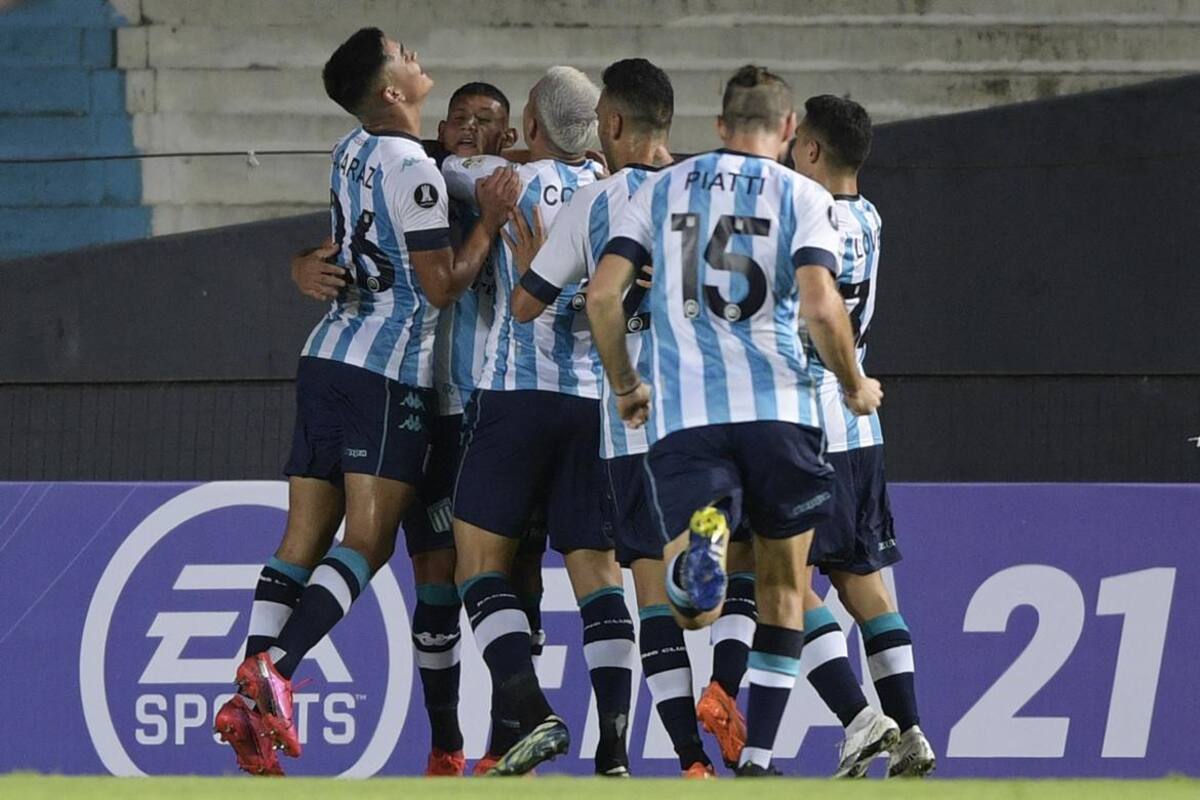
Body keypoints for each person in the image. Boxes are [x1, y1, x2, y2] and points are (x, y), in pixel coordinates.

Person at [213, 28, 516, 775]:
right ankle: (276, 667)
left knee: (300, 544)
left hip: (325, 358)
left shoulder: (351, 150)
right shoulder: (414, 166)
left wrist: (302, 261)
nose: (417, 60)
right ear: (391, 90)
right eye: (404, 54)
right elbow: (442, 287)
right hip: (384, 374)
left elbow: (351, 242)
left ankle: (246, 712)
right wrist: (490, 223)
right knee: (372, 541)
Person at [587, 65, 882, 776]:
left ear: (719, 127)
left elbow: (603, 297)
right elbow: (820, 306)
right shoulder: (804, 196)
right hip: (781, 413)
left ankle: (709, 532)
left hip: (688, 416)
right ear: (787, 132)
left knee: (693, 611)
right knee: (785, 588)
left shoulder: (660, 189)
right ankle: (756, 758)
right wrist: (853, 384)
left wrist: (627, 384)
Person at [505, 57, 717, 778]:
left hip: (629, 422)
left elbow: (527, 305)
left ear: (615, 124)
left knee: (651, 598)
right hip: (714, 413)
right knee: (713, 593)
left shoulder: (595, 202)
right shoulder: (711, 192)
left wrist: (542, 271)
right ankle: (712, 578)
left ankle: (689, 759)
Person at [442, 66, 636, 777]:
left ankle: (534, 710)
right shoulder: (616, 195)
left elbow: (449, 165)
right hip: (596, 406)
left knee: (479, 564)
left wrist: (507, 161)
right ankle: (612, 749)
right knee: (598, 574)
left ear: (529, 130)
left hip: (517, 397)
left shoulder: (504, 177)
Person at [790, 94, 936, 778]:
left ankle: (856, 716)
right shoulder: (871, 218)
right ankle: (910, 730)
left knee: (776, 579)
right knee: (862, 578)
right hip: (859, 429)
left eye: (797, 147)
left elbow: (815, 314)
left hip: (806, 422)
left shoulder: (806, 215)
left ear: (813, 151)